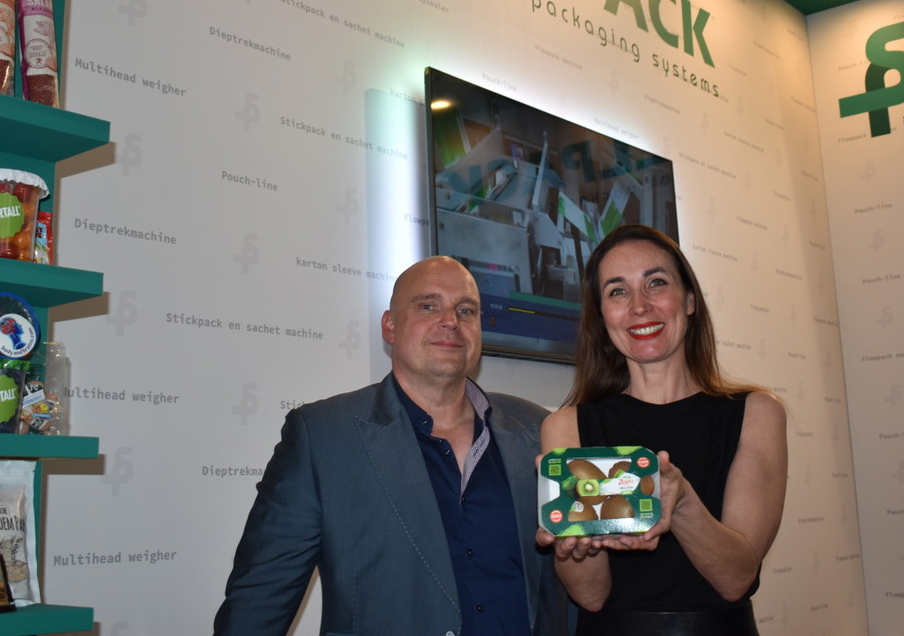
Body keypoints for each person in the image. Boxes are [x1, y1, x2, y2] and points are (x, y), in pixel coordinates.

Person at [214, 255, 570, 636]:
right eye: (428, 306)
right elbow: (258, 604)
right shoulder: (321, 438)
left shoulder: (539, 429)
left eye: (466, 310)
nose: (451, 321)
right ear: (390, 326)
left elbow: (575, 586)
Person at [539, 225, 787, 636]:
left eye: (656, 282)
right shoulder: (566, 428)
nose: (639, 306)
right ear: (602, 316)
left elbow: (736, 578)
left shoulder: (756, 413)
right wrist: (574, 547)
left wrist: (681, 502)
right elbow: (590, 596)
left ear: (689, 300)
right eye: (618, 291)